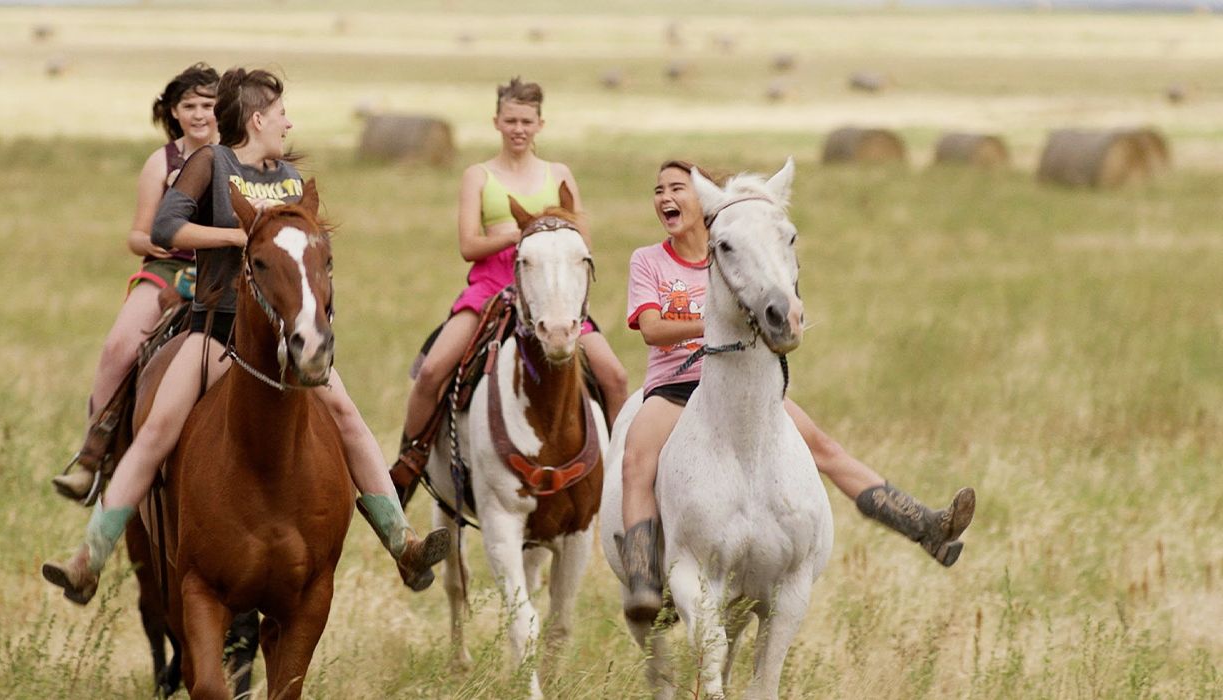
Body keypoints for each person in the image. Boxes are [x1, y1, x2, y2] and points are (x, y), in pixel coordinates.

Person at [43, 68, 448, 604]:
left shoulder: (290, 178)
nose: (289, 122)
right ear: (257, 118)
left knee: (348, 416)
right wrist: (239, 235)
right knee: (159, 428)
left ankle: (404, 545)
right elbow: (165, 229)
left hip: (282, 338)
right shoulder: (211, 163)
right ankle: (88, 558)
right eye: (282, 114)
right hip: (214, 328)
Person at [617, 160, 977, 620]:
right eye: (659, 190)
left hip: (741, 387)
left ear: (703, 203)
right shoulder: (649, 260)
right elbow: (650, 328)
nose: (666, 197)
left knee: (823, 446)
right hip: (676, 386)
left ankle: (924, 526)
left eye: (677, 188)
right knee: (635, 459)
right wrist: (711, 321)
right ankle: (643, 575)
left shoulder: (740, 247)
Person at [393, 77, 630, 478]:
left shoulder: (559, 174)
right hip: (491, 287)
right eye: (511, 120)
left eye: (526, 121)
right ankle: (409, 465)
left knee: (615, 375)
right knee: (433, 371)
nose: (518, 128)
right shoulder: (478, 176)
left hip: (551, 289)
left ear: (540, 124)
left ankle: (622, 471)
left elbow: (581, 244)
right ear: (496, 122)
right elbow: (469, 244)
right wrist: (517, 235)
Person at [52, 63, 219, 501]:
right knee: (119, 346)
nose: (200, 114)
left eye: (208, 104)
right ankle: (94, 457)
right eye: (190, 106)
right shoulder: (160, 161)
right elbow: (136, 234)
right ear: (175, 112)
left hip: (222, 272)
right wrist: (155, 241)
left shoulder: (236, 156)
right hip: (168, 271)